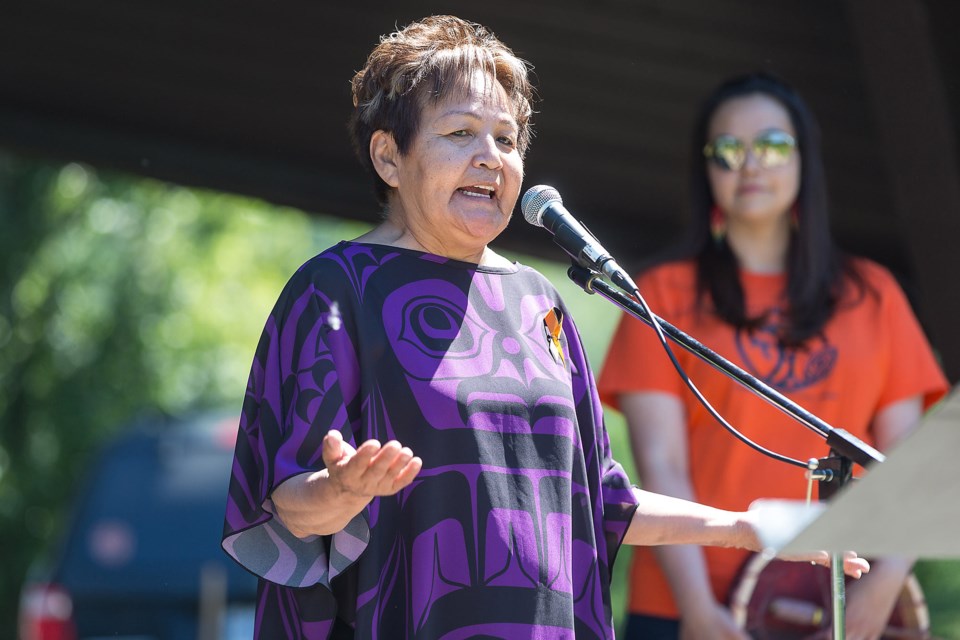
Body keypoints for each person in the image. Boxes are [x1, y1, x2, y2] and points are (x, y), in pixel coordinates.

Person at [221, 24, 867, 639]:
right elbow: (280, 509)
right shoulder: (336, 289)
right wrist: (340, 492)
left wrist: (744, 528)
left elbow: (598, 498)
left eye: (507, 139)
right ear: (390, 156)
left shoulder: (539, 302)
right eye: (461, 132)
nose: (490, 158)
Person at [598, 72, 949, 640]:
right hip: (684, 611)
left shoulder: (874, 295)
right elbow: (663, 466)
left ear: (805, 160)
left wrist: (879, 589)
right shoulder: (658, 295)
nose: (750, 164)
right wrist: (699, 612)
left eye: (773, 145)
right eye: (728, 149)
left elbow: (907, 468)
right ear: (705, 169)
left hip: (832, 606)